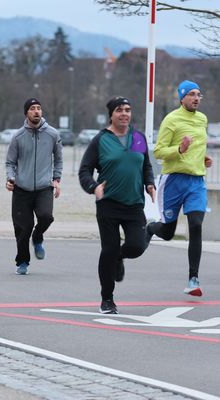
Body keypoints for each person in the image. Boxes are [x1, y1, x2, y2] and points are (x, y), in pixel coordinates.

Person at [79, 97, 155, 314]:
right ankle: (107, 299)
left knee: (136, 247)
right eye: (120, 110)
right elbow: (84, 170)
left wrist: (149, 183)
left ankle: (120, 257)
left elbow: (146, 165)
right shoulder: (101, 140)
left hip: (134, 204)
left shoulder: (137, 137)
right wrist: (93, 187)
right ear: (111, 114)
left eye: (128, 110)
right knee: (109, 250)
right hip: (108, 204)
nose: (124, 114)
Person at [147, 80, 212, 297]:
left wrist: (203, 158)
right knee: (167, 233)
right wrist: (179, 149)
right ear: (182, 97)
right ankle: (150, 228)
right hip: (174, 181)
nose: (196, 98)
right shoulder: (171, 120)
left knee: (196, 224)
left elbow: (198, 146)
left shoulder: (202, 119)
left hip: (196, 182)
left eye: (199, 94)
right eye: (192, 94)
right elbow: (158, 152)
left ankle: (193, 279)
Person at [5, 98, 63, 275]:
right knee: (23, 228)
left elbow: (59, 159)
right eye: (32, 109)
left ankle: (38, 237)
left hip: (44, 187)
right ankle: (22, 261)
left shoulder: (53, 134)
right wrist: (10, 178)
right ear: (26, 113)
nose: (36, 111)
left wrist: (56, 179)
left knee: (46, 217)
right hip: (22, 188)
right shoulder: (18, 136)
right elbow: (10, 162)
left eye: (39, 108)